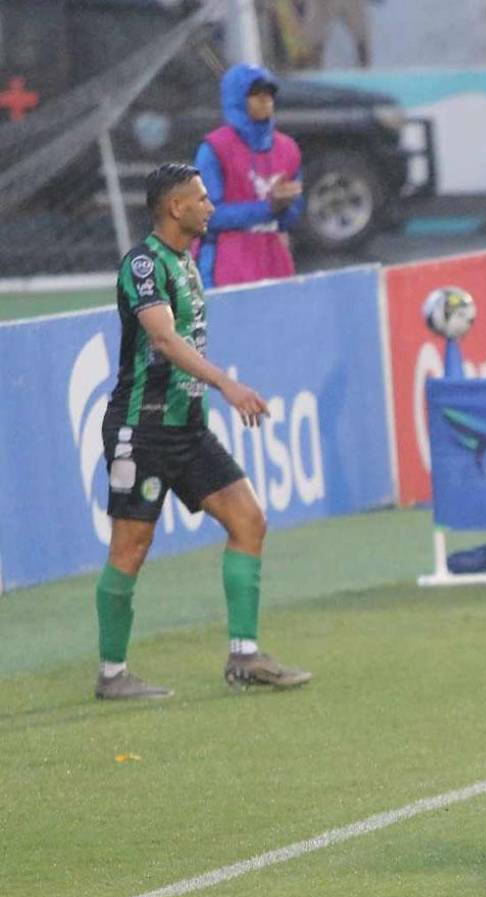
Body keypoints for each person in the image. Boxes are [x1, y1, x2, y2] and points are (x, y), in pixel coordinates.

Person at [93, 163, 311, 700]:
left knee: (248, 519)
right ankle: (112, 674)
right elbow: (164, 341)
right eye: (202, 199)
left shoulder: (187, 262)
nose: (211, 207)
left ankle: (244, 656)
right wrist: (227, 384)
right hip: (141, 430)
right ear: (176, 207)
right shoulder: (143, 264)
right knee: (131, 547)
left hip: (188, 430)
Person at [194, 64, 303, 289]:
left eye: (269, 93)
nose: (265, 100)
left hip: (275, 262)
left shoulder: (287, 148)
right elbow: (206, 215)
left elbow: (292, 217)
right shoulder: (215, 148)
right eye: (255, 93)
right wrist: (268, 208)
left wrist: (287, 205)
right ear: (237, 99)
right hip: (226, 264)